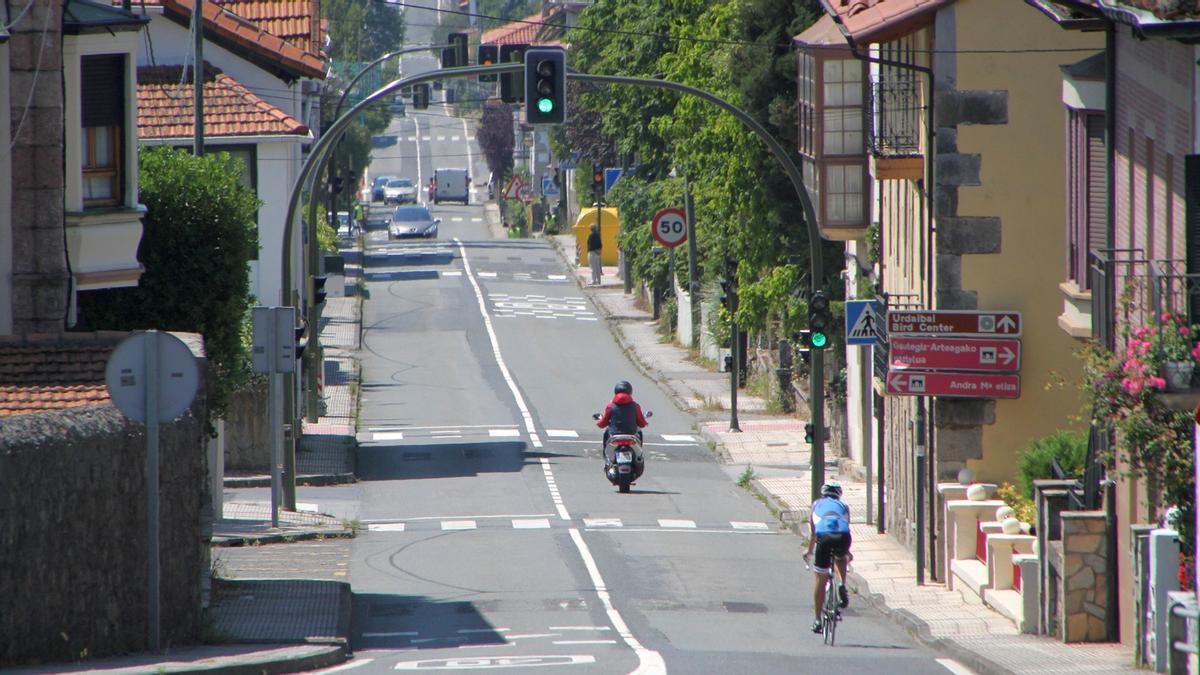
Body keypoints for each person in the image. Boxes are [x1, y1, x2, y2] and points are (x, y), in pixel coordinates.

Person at [803, 480, 852, 634]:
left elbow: (813, 534)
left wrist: (809, 552)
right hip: (843, 536)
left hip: (824, 537)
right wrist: (848, 552)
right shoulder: (844, 506)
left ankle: (817, 620)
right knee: (841, 557)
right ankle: (841, 584)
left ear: (823, 493)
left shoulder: (816, 505)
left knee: (820, 578)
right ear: (839, 495)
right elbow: (846, 526)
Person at [595, 380, 648, 475]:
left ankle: (606, 457)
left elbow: (603, 423)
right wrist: (644, 423)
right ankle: (638, 456)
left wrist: (599, 422)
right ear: (630, 392)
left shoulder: (611, 406)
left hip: (615, 435)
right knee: (639, 435)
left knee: (606, 433)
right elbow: (641, 422)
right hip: (631, 435)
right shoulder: (635, 406)